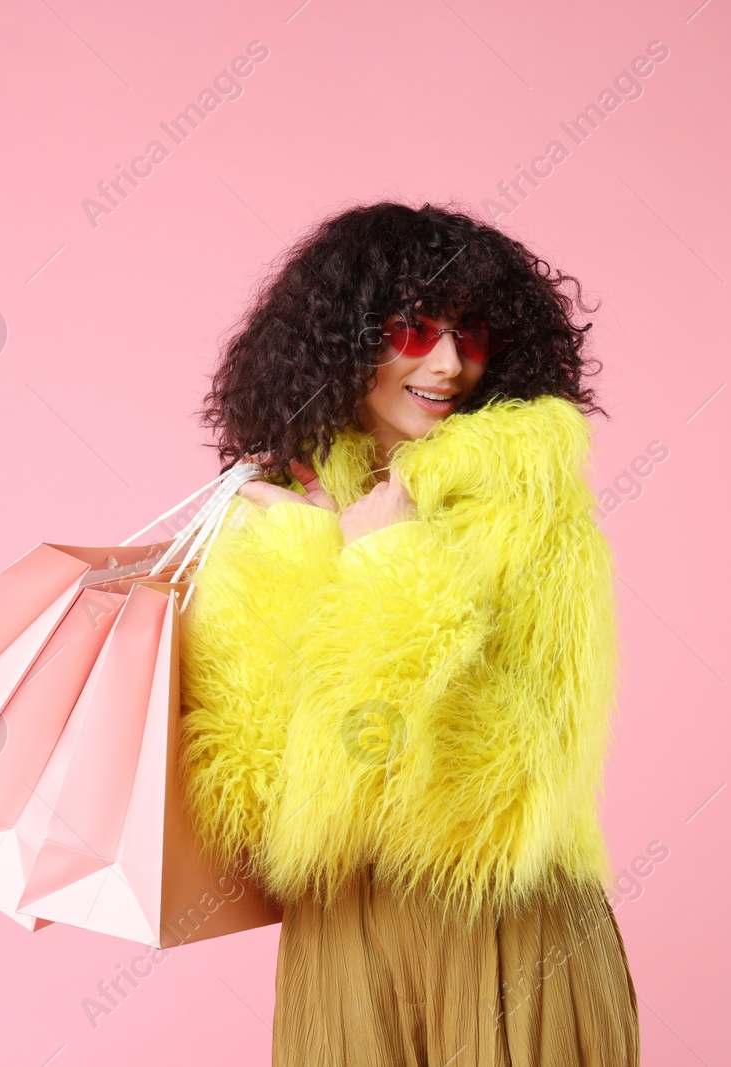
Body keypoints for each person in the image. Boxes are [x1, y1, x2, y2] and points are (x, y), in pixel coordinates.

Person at [180, 202, 639, 1065]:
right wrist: (307, 554)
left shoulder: (528, 502)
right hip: (342, 939)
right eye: (414, 327)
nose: (448, 362)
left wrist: (393, 572)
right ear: (340, 341)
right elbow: (265, 801)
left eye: (473, 334)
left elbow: (505, 793)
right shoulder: (292, 507)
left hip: (505, 934)